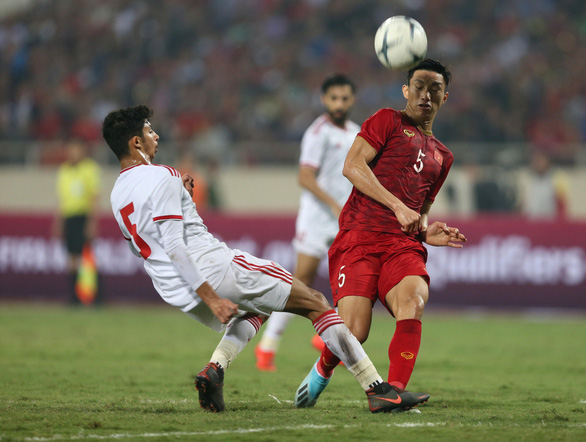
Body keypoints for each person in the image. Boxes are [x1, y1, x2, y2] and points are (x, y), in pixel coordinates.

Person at [102, 104, 431, 413]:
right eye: (149, 131)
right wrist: (213, 299)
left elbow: (147, 244)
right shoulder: (164, 175)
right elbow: (175, 244)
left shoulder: (118, 193)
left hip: (172, 287)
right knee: (315, 301)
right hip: (210, 270)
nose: (155, 136)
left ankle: (214, 370)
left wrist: (183, 200)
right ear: (136, 142)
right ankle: (377, 390)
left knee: (259, 307)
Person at [294, 59, 467, 408]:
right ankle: (323, 368)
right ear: (406, 91)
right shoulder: (386, 120)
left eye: (435, 89)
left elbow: (418, 216)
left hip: (400, 245)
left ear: (444, 98)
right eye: (419, 86)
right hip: (358, 237)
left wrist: (426, 232)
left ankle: (393, 392)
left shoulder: (443, 157)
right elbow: (352, 166)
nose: (426, 95)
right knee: (355, 333)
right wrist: (397, 205)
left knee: (414, 298)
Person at [255, 74, 360, 371]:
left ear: (352, 100)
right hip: (317, 219)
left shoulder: (356, 132)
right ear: (324, 100)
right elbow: (304, 176)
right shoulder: (317, 133)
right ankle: (267, 346)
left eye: (345, 98)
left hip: (344, 218)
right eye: (334, 98)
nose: (339, 103)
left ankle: (331, 333)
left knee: (357, 277)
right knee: (300, 284)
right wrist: (333, 206)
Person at [53, 139, 101, 305]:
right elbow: (62, 199)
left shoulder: (90, 168)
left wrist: (91, 222)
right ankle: (74, 298)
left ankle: (94, 297)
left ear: (82, 151)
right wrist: (58, 222)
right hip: (69, 217)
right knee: (72, 258)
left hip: (83, 216)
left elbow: (94, 196)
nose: (73, 153)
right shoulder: (64, 170)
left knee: (87, 257)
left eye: (76, 150)